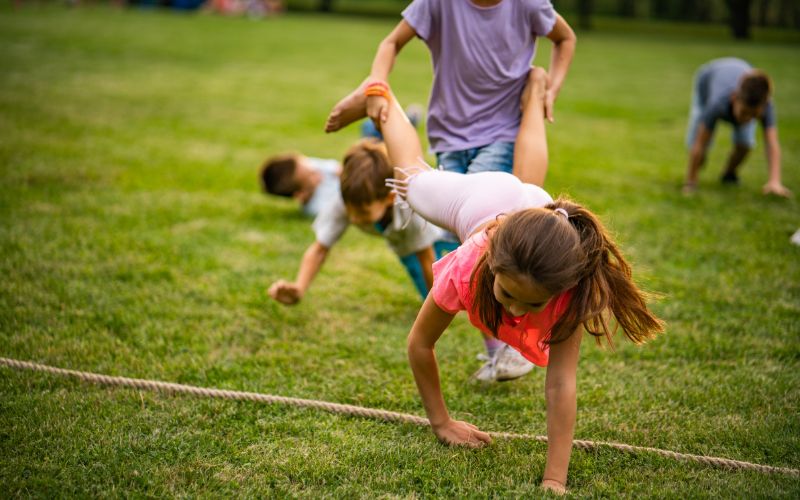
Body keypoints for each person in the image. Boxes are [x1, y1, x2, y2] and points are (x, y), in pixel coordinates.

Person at [371, 69, 664, 493]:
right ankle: (379, 99)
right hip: (481, 200)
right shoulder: (467, 265)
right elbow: (420, 343)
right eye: (508, 294)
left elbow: (562, 382)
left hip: (534, 208)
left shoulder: (571, 290)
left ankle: (534, 94)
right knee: (411, 180)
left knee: (532, 187)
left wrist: (554, 479)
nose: (513, 311)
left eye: (532, 305)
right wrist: (441, 422)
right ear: (491, 261)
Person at [325, 0, 576, 186]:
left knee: (476, 221)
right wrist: (378, 83)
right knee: (446, 221)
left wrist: (550, 91)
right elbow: (391, 42)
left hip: (501, 132)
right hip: (448, 135)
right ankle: (374, 93)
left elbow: (565, 38)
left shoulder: (528, 4)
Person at [267, 139, 456, 304]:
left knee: (444, 284)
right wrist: (299, 287)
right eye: (350, 209)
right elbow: (319, 249)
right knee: (430, 292)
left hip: (437, 229)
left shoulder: (410, 209)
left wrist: (438, 310)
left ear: (389, 198)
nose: (354, 218)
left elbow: (426, 258)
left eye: (363, 212)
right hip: (404, 243)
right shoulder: (346, 201)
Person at [683, 57, 791, 197]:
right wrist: (691, 183)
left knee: (745, 144)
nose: (747, 119)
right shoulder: (717, 104)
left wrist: (775, 181)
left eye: (754, 115)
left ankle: (729, 175)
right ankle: (695, 170)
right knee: (697, 146)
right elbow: (700, 142)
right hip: (707, 80)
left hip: (741, 80)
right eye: (744, 113)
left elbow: (772, 143)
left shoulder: (766, 105)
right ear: (734, 98)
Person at [260, 152, 341, 219]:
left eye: (311, 167)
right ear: (301, 194)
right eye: (311, 176)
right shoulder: (316, 208)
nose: (317, 172)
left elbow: (338, 168)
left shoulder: (310, 166)